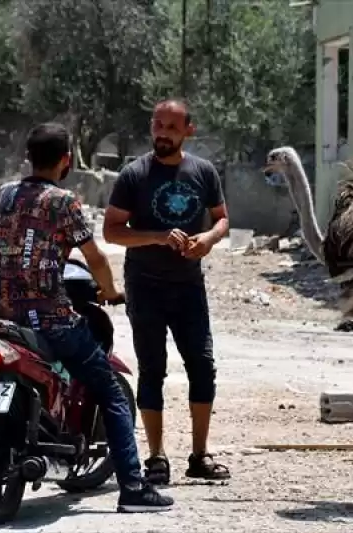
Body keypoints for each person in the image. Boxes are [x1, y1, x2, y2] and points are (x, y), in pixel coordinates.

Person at [0, 122, 174, 513]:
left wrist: (17, 254)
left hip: (4, 318)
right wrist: (112, 291)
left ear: (28, 158)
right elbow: (96, 257)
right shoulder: (63, 202)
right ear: (66, 160)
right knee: (114, 393)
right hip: (51, 319)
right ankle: (134, 489)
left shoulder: (3, 196)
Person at [102, 99, 231, 485]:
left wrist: (207, 239)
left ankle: (199, 455)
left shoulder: (203, 172)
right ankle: (156, 457)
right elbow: (111, 231)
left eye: (171, 127)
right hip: (145, 287)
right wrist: (157, 237)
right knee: (152, 371)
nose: (162, 133)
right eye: (158, 125)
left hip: (189, 286)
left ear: (188, 130)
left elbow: (223, 218)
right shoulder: (134, 174)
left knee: (203, 367)